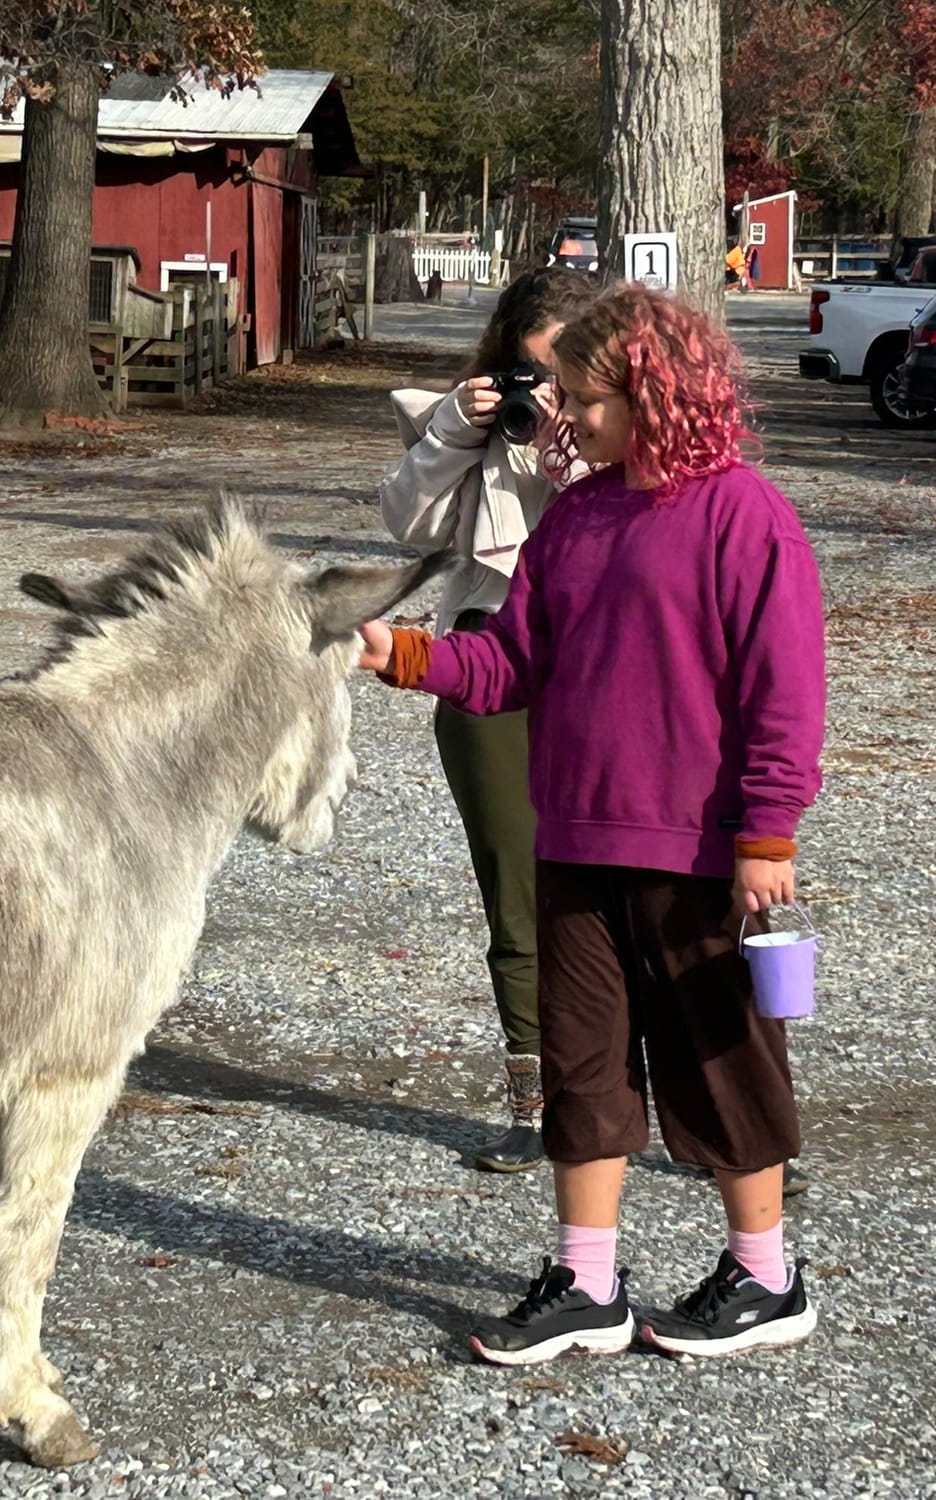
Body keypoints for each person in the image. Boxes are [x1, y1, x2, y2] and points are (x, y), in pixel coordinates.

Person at [359, 283, 826, 1364]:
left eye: (583, 398)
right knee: (582, 1066)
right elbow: (509, 663)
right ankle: (586, 1281)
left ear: (655, 391)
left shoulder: (744, 514)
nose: (563, 417)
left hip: (696, 850)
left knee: (721, 1061)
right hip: (571, 838)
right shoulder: (574, 516)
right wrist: (403, 653)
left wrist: (766, 836)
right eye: (560, 396)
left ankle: (766, 1277)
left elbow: (785, 693)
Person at [378, 266, 599, 1173]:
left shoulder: (625, 430)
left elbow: (641, 530)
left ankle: (699, 1112)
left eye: (569, 375)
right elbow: (406, 524)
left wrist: (572, 453)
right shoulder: (475, 423)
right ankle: (533, 1106)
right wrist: (450, 435)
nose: (549, 394)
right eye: (534, 372)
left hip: (603, 666)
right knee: (517, 889)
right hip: (487, 661)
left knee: (644, 891)